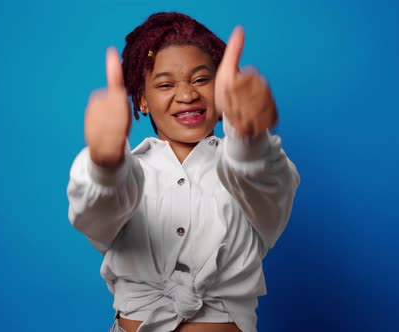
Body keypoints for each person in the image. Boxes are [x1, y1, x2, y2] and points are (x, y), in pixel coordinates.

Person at [67, 12, 300, 332]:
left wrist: (249, 140)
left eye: (202, 79)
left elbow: (264, 179)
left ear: (220, 88)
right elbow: (95, 212)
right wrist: (104, 166)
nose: (188, 95)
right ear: (142, 100)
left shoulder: (250, 172)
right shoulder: (128, 175)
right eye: (165, 84)